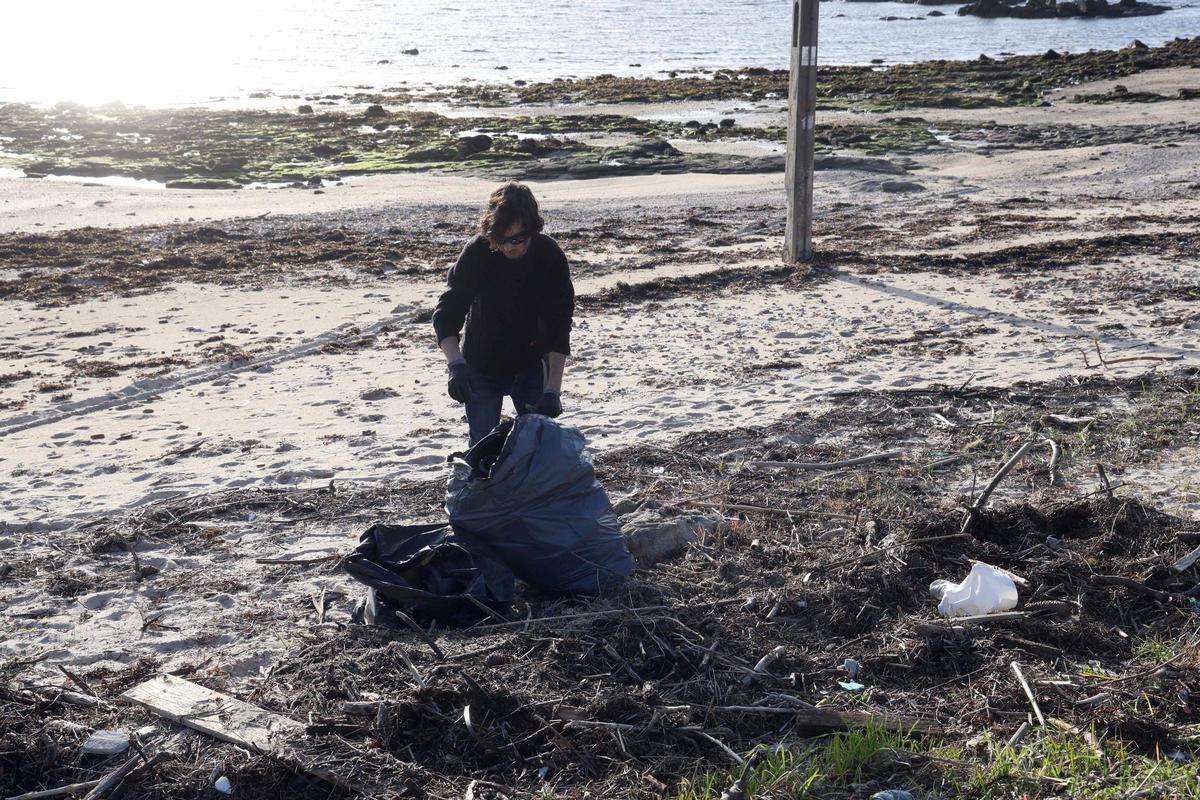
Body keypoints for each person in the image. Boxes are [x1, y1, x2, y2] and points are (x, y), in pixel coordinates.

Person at [432, 182, 575, 444]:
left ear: (532, 228)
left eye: (517, 239)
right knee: (482, 447)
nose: (509, 247)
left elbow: (559, 324)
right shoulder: (478, 251)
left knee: (538, 445)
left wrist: (553, 390)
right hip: (481, 364)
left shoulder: (549, 256)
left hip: (531, 365)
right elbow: (447, 313)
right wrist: (455, 365)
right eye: (500, 240)